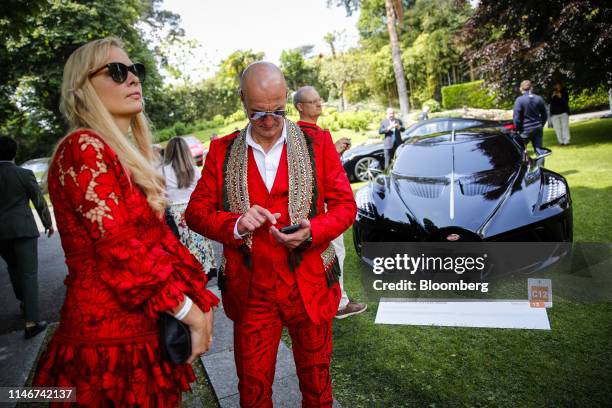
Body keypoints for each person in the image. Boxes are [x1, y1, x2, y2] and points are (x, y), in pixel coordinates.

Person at [32, 37, 218, 407]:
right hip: (108, 343)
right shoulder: (83, 147)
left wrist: (194, 300)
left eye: (136, 70)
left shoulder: (113, 151)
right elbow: (122, 250)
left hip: (141, 329)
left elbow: (155, 243)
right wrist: (189, 311)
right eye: (117, 72)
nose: (134, 79)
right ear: (83, 89)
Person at [185, 62, 356, 407]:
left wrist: (312, 231)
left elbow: (345, 207)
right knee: (252, 386)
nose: (268, 121)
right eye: (258, 113)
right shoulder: (221, 151)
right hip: (252, 294)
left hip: (310, 288)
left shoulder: (317, 142)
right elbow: (195, 213)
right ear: (243, 102)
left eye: (278, 111)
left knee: (317, 380)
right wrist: (235, 223)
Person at [294, 85, 367, 319]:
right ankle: (339, 303)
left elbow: (319, 169)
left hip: (314, 207)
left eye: (319, 100)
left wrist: (333, 151)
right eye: (312, 101)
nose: (318, 104)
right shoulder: (304, 135)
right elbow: (313, 173)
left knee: (325, 255)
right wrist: (332, 150)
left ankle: (332, 299)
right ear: (299, 106)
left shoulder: (310, 134)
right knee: (334, 253)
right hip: (320, 207)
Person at [0, 136, 53, 339]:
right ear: (14, 153)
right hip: (23, 229)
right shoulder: (23, 174)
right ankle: (32, 321)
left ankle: (25, 303)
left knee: (13, 268)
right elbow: (39, 201)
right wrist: (48, 223)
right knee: (28, 273)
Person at [162, 136, 216, 275]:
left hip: (174, 214)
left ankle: (189, 272)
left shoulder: (162, 171)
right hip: (194, 210)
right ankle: (206, 268)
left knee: (183, 245)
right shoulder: (194, 170)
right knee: (200, 242)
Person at [513, 80, 548, 151]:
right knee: (539, 150)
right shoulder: (539, 99)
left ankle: (524, 161)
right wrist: (541, 125)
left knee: (520, 150)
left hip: (525, 130)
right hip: (538, 128)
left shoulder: (519, 100)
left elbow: (516, 118)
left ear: (521, 89)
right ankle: (540, 162)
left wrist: (517, 129)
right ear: (531, 88)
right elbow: (545, 115)